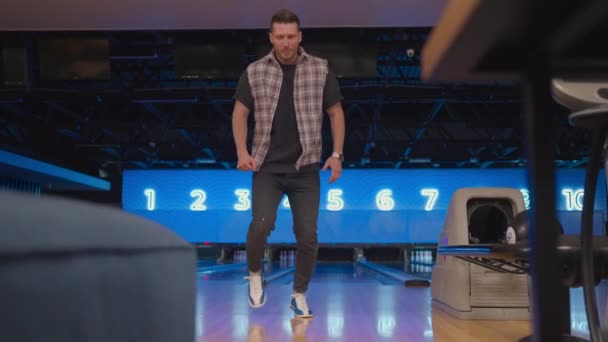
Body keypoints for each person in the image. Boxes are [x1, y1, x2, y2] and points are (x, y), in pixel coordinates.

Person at [231, 9, 345, 318]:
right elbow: (240, 113)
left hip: (306, 169)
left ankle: (299, 295)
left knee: (307, 235)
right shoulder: (254, 71)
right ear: (271, 38)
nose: (285, 43)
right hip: (266, 168)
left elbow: (335, 113)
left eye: (290, 36)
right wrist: (242, 151)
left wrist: (336, 155)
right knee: (261, 224)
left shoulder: (320, 69)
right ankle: (255, 274)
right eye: (279, 37)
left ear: (300, 36)